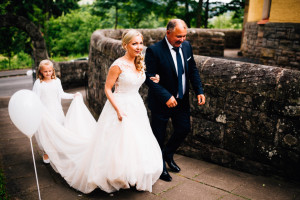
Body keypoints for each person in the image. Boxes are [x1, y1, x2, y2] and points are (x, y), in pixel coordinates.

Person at [35, 29, 163, 193]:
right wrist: (118, 109)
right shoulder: (117, 65)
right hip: (120, 105)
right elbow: (108, 89)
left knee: (137, 140)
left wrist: (153, 79)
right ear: (125, 45)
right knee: (118, 142)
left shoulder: (139, 61)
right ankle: (116, 175)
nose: (139, 47)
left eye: (140, 43)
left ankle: (134, 175)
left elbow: (135, 82)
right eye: (134, 43)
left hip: (136, 106)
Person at [145, 19, 206, 182]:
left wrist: (199, 90)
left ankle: (167, 155)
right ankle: (160, 167)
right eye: (179, 36)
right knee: (159, 136)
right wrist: (166, 96)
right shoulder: (154, 51)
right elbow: (149, 78)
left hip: (182, 100)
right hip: (161, 103)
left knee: (184, 128)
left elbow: (192, 69)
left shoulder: (186, 47)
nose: (182, 40)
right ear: (168, 33)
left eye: (184, 36)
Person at [32, 59, 79, 164]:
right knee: (46, 133)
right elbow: (35, 99)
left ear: (53, 70)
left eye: (50, 71)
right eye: (45, 71)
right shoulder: (39, 83)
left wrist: (73, 96)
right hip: (45, 112)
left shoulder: (56, 81)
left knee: (58, 130)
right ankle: (46, 152)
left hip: (57, 111)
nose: (48, 73)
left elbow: (61, 94)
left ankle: (58, 150)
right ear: (40, 72)